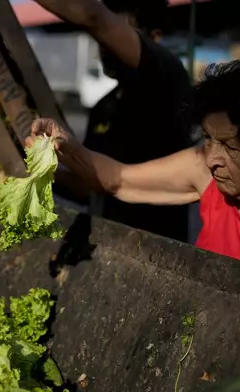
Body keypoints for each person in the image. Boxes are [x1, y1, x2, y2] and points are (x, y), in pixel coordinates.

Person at [28, 58, 240, 293]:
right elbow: (119, 180)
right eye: (209, 139)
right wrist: (68, 148)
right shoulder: (204, 170)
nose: (212, 159)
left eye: (230, 147)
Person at [32, 0, 191, 242]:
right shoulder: (103, 106)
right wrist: (41, 172)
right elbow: (93, 187)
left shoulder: (168, 77)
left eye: (114, 34)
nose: (103, 45)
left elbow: (94, 17)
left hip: (155, 252)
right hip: (107, 251)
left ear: (154, 38)